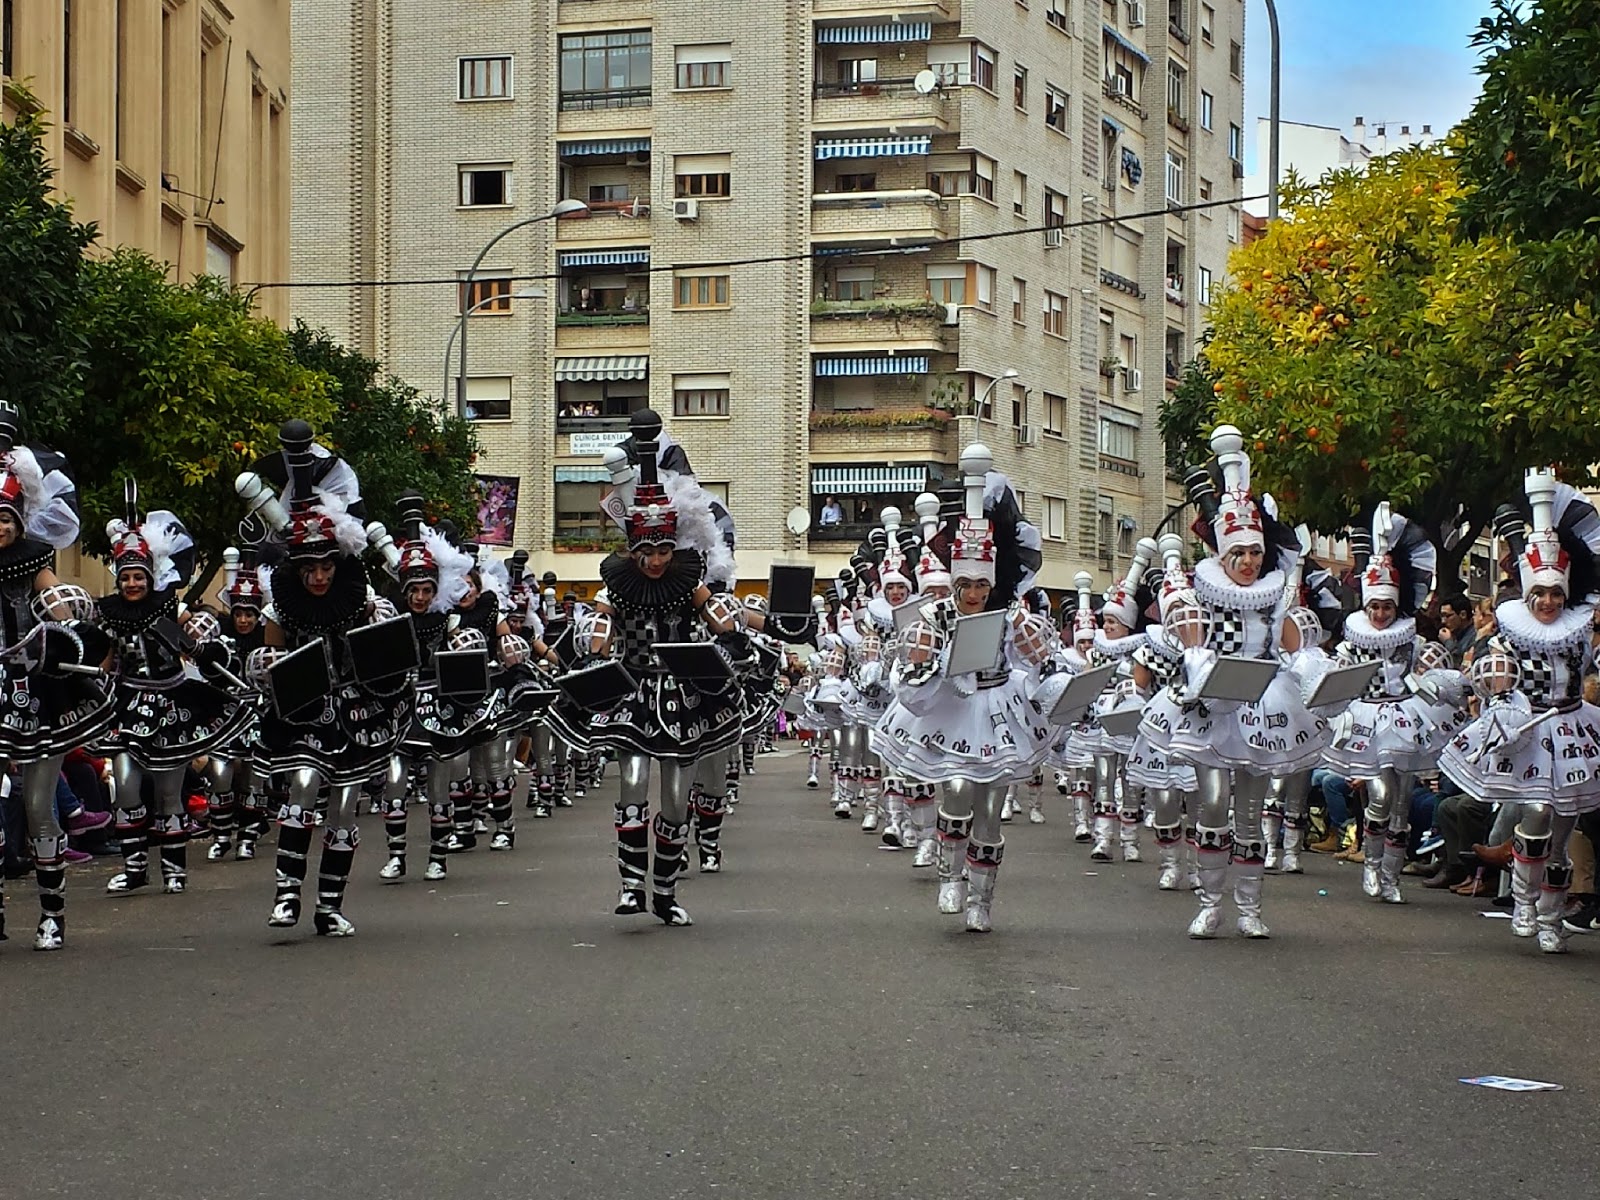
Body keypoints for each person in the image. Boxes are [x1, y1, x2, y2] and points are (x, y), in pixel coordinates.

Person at [1138, 426, 1329, 939]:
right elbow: (1191, 647)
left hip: (1265, 707)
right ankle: (1209, 903)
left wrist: (1315, 676)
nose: (1248, 563)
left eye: (1255, 554)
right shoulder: (1200, 592)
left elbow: (1295, 649)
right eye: (1239, 554)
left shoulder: (1274, 594)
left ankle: (1249, 908)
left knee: (1250, 812)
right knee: (1214, 805)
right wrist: (1205, 674)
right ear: (1222, 555)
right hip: (1212, 707)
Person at [1440, 471, 1600, 953]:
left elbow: (1592, 664)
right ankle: (1526, 902)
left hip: (1574, 730)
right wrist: (1498, 695)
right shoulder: (1509, 634)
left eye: (1555, 594)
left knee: (1564, 827)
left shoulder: (1577, 631)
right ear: (1527, 594)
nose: (1549, 602)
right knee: (1534, 814)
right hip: (1528, 732)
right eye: (1540, 595)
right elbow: (1489, 675)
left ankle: (1550, 917)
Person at [1438, 593, 1478, 668]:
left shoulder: (1475, 636)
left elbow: (1459, 665)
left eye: (1447, 616)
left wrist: (1448, 642)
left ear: (1463, 614)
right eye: (1442, 616)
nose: (1443, 621)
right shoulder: (1456, 633)